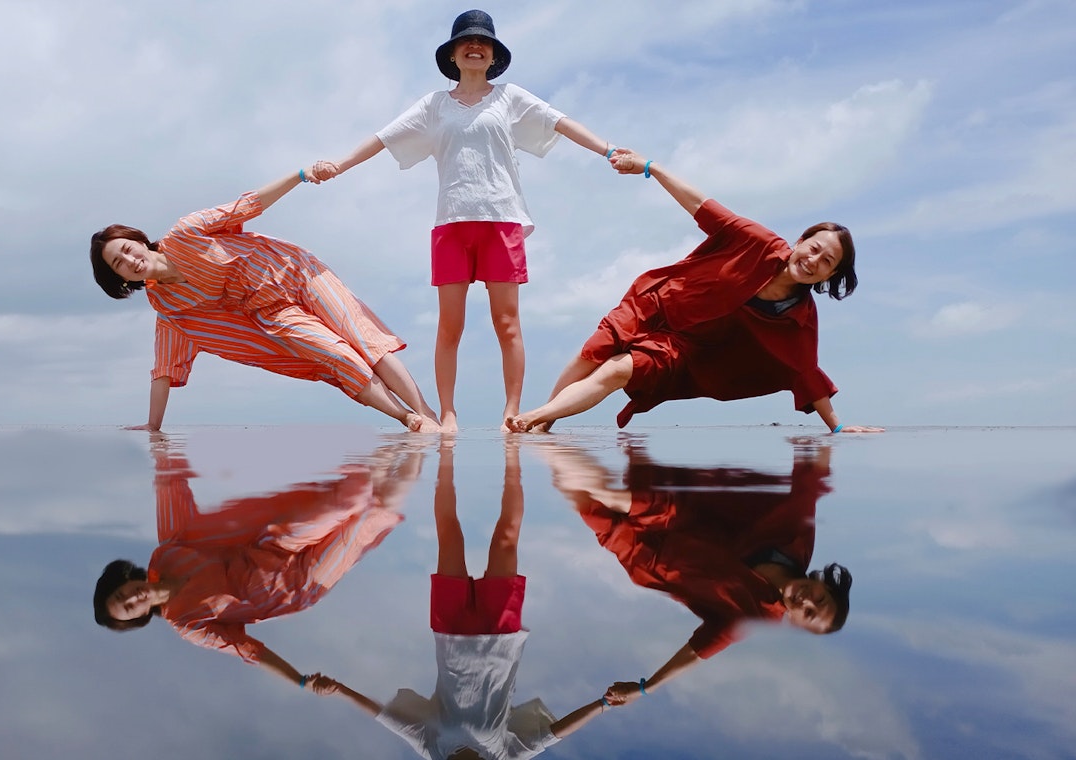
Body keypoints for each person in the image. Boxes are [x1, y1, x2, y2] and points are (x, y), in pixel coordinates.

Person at [312, 9, 618, 433]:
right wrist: (339, 165)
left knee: (507, 322)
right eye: (466, 42)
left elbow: (560, 123)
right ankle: (449, 413)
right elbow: (384, 137)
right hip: (452, 222)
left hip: (501, 219)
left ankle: (512, 410)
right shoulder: (435, 105)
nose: (475, 47)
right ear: (453, 54)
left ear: (492, 54)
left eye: (484, 42)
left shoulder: (510, 97)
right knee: (449, 325)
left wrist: (608, 150)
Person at [505, 150, 883, 435]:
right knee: (593, 353)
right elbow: (701, 205)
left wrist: (836, 426)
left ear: (830, 275)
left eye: (827, 261)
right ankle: (543, 426)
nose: (815, 260)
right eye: (814, 248)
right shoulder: (756, 240)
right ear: (800, 241)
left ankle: (534, 416)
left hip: (682, 346)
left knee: (618, 370)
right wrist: (650, 168)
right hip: (656, 301)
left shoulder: (798, 316)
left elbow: (805, 369)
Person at [306, 440, 612, 758]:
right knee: (507, 536)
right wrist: (602, 705)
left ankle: (445, 457)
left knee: (449, 534)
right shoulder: (503, 755)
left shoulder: (433, 750)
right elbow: (553, 734)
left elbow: (386, 718)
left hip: (450, 631)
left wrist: (339, 690)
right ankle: (513, 458)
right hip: (500, 636)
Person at [88, 169, 439, 432]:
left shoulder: (186, 231)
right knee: (336, 354)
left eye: (126, 249)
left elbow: (248, 204)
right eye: (119, 264)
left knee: (361, 336)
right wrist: (153, 425)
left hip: (297, 272)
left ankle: (427, 413)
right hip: (272, 311)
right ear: (121, 278)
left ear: (137, 239)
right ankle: (407, 417)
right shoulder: (167, 302)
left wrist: (299, 176)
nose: (130, 260)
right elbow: (165, 362)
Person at [534, 437, 852, 707]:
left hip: (641, 555)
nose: (807, 602)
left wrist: (646, 688)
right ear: (821, 585)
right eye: (821, 599)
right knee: (608, 488)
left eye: (809, 614)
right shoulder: (794, 544)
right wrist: (828, 435)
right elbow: (807, 492)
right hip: (671, 515)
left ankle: (549, 445)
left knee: (574, 491)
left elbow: (697, 652)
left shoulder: (753, 617)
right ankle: (538, 438)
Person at [93, 439, 421, 688]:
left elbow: (182, 515)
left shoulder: (164, 557)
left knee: (344, 501)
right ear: (138, 617)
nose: (132, 598)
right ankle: (417, 460)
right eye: (128, 608)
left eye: (122, 595)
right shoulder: (186, 623)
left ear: (122, 582)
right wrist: (300, 680)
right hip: (300, 586)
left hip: (273, 545)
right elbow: (248, 650)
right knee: (367, 523)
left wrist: (165, 457)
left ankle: (410, 440)